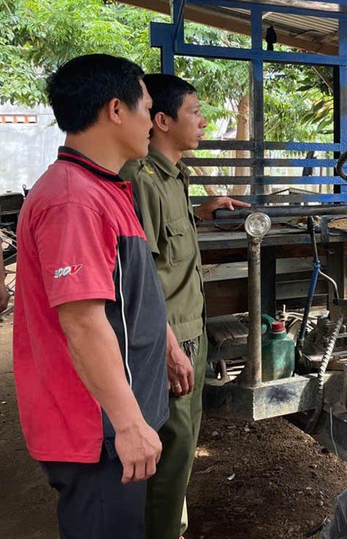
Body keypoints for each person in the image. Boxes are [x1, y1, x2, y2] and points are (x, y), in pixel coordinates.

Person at [13, 54, 168, 538]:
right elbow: (81, 322)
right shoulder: (73, 200)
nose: (152, 122)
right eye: (146, 107)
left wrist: (168, 347)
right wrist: (127, 424)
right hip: (95, 431)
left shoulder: (102, 189)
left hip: (110, 424)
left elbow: (126, 294)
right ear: (116, 110)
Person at [120, 73, 249, 539]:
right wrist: (171, 348)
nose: (203, 120)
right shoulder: (141, 179)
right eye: (194, 112)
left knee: (184, 446)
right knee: (170, 451)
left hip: (190, 331)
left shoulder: (174, 177)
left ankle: (170, 526)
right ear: (162, 120)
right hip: (169, 338)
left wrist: (202, 212)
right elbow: (144, 275)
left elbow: (166, 238)